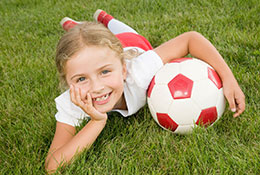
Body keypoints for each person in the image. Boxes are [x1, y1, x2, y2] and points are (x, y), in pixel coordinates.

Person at [45, 9, 245, 172]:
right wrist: (97, 122)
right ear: (68, 83)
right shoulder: (71, 102)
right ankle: (77, 28)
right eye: (81, 78)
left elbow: (190, 39)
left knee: (125, 33)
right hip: (109, 50)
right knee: (83, 39)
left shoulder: (140, 71)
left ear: (123, 69)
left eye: (105, 72)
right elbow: (53, 165)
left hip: (133, 45)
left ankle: (105, 18)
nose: (97, 87)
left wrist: (228, 78)